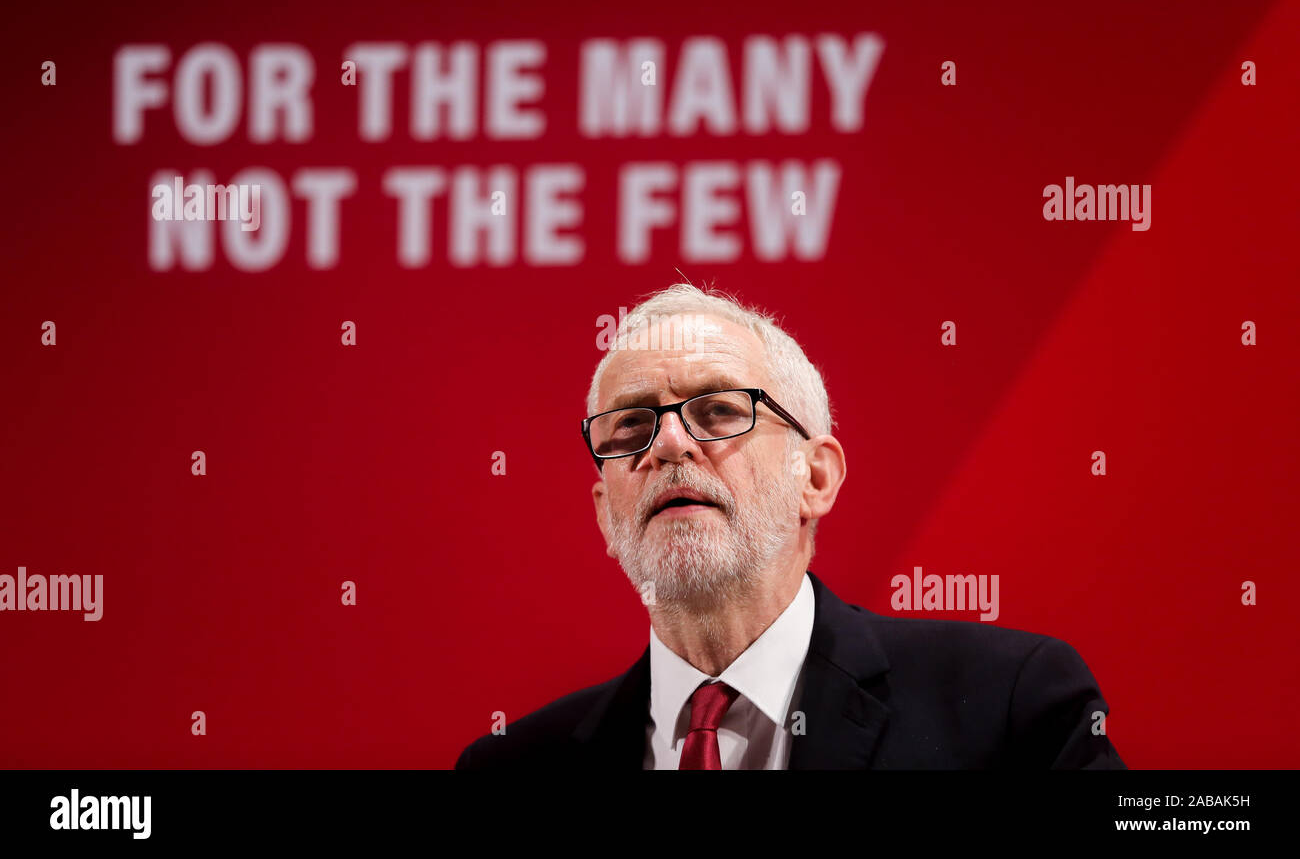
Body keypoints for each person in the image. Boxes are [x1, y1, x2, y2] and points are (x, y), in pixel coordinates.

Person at [456, 284, 1124, 769]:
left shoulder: (1008, 706)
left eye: (717, 411)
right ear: (606, 513)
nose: (667, 444)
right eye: (630, 425)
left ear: (816, 478)